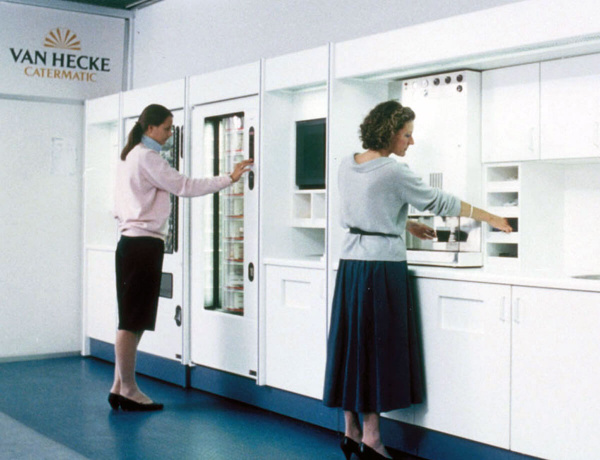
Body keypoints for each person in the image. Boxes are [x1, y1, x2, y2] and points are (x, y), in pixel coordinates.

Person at [322, 100, 512, 459]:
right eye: (406, 134)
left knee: (351, 346)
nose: (411, 141)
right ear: (390, 133)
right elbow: (439, 201)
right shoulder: (394, 171)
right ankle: (372, 439)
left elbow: (363, 210)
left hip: (350, 266)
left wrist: (405, 223)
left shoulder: (347, 164)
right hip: (381, 267)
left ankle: (350, 430)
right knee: (376, 351)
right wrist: (490, 216)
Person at [109, 104, 253, 411]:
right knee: (132, 321)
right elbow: (185, 186)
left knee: (132, 319)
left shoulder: (130, 155)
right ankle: (129, 390)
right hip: (143, 245)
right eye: (166, 128)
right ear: (150, 128)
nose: (169, 134)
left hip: (129, 243)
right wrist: (229, 178)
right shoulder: (148, 158)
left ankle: (119, 385)